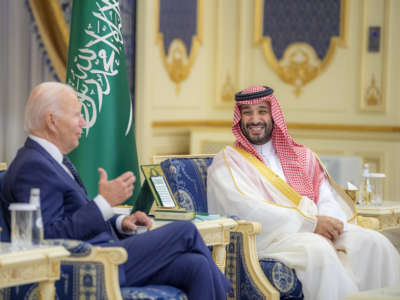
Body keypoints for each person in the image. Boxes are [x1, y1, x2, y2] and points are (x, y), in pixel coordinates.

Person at [1, 82, 231, 300]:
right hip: (90, 264)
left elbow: (75, 216)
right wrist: (103, 202)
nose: (83, 123)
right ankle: (229, 293)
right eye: (76, 115)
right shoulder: (33, 166)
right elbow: (46, 236)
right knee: (185, 231)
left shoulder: (53, 160)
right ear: (52, 120)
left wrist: (121, 221)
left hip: (108, 253)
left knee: (197, 266)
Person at [207, 85, 400, 300]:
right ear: (239, 118)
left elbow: (325, 197)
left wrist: (328, 228)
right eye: (247, 113)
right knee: (317, 250)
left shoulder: (301, 156)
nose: (254, 119)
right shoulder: (229, 161)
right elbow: (246, 209)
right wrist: (310, 224)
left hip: (309, 229)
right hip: (269, 238)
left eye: (262, 111)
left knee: (374, 243)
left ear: (273, 114)